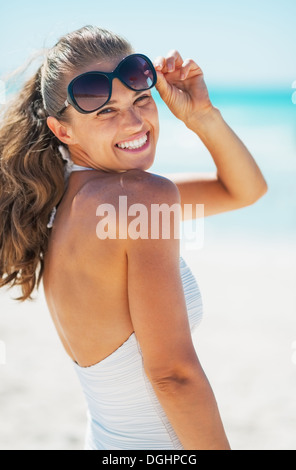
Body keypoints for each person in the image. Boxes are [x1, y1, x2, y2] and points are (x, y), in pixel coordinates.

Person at [0, 25, 267, 450]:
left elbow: (243, 190)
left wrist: (202, 116)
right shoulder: (139, 198)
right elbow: (173, 375)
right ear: (63, 130)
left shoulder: (67, 200)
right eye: (105, 111)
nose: (134, 121)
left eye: (141, 99)